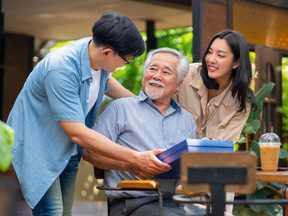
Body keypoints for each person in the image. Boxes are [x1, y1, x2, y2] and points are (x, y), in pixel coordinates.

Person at [7, 12, 171, 215]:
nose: (123, 66)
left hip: (68, 150)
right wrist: (136, 158)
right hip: (39, 146)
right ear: (107, 53)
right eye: (126, 61)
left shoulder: (94, 50)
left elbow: (107, 82)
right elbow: (77, 132)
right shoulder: (61, 69)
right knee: (53, 212)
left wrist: (143, 107)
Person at [83, 48, 195, 216]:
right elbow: (89, 152)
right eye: (152, 68)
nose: (157, 75)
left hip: (175, 203)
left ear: (179, 84)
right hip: (131, 203)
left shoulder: (187, 120)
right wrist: (131, 165)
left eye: (166, 72)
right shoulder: (121, 108)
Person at [175, 29, 256, 215]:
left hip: (208, 164)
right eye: (210, 52)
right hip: (174, 155)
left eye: (220, 55)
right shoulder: (187, 74)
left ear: (236, 62)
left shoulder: (242, 102)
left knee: (225, 166)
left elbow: (224, 146)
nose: (211, 59)